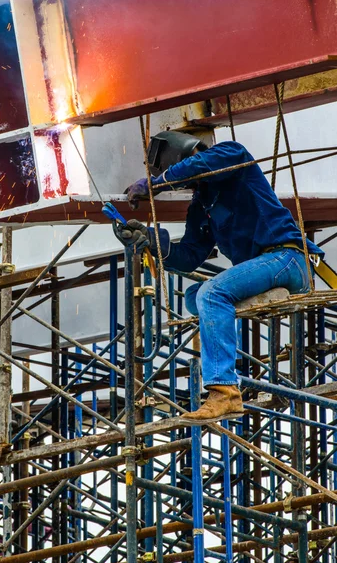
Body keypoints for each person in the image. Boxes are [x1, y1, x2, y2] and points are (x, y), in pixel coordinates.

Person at [114, 134, 323, 422]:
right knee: (195, 297)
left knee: (211, 295)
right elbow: (189, 255)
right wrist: (152, 242)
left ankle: (224, 392)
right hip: (265, 268)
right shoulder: (202, 206)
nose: (186, 186)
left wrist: (155, 183)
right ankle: (258, 304)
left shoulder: (232, 155)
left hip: (288, 258)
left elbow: (201, 164)